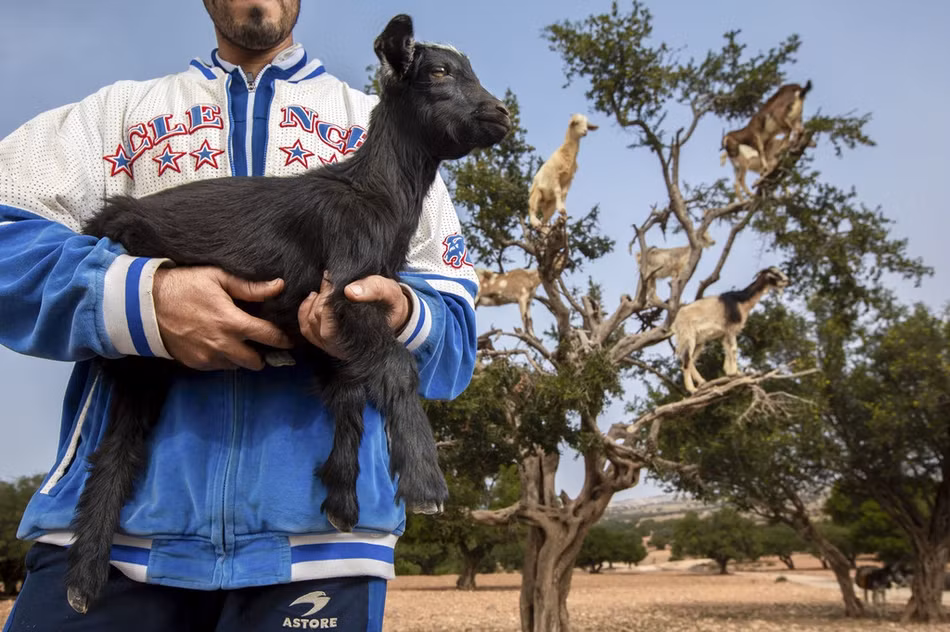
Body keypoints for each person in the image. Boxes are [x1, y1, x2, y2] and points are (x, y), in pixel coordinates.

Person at [0, 1, 478, 630]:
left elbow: (454, 334)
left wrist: (400, 313)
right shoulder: (114, 118)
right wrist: (142, 298)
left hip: (318, 554)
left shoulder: (388, 124)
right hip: (112, 540)